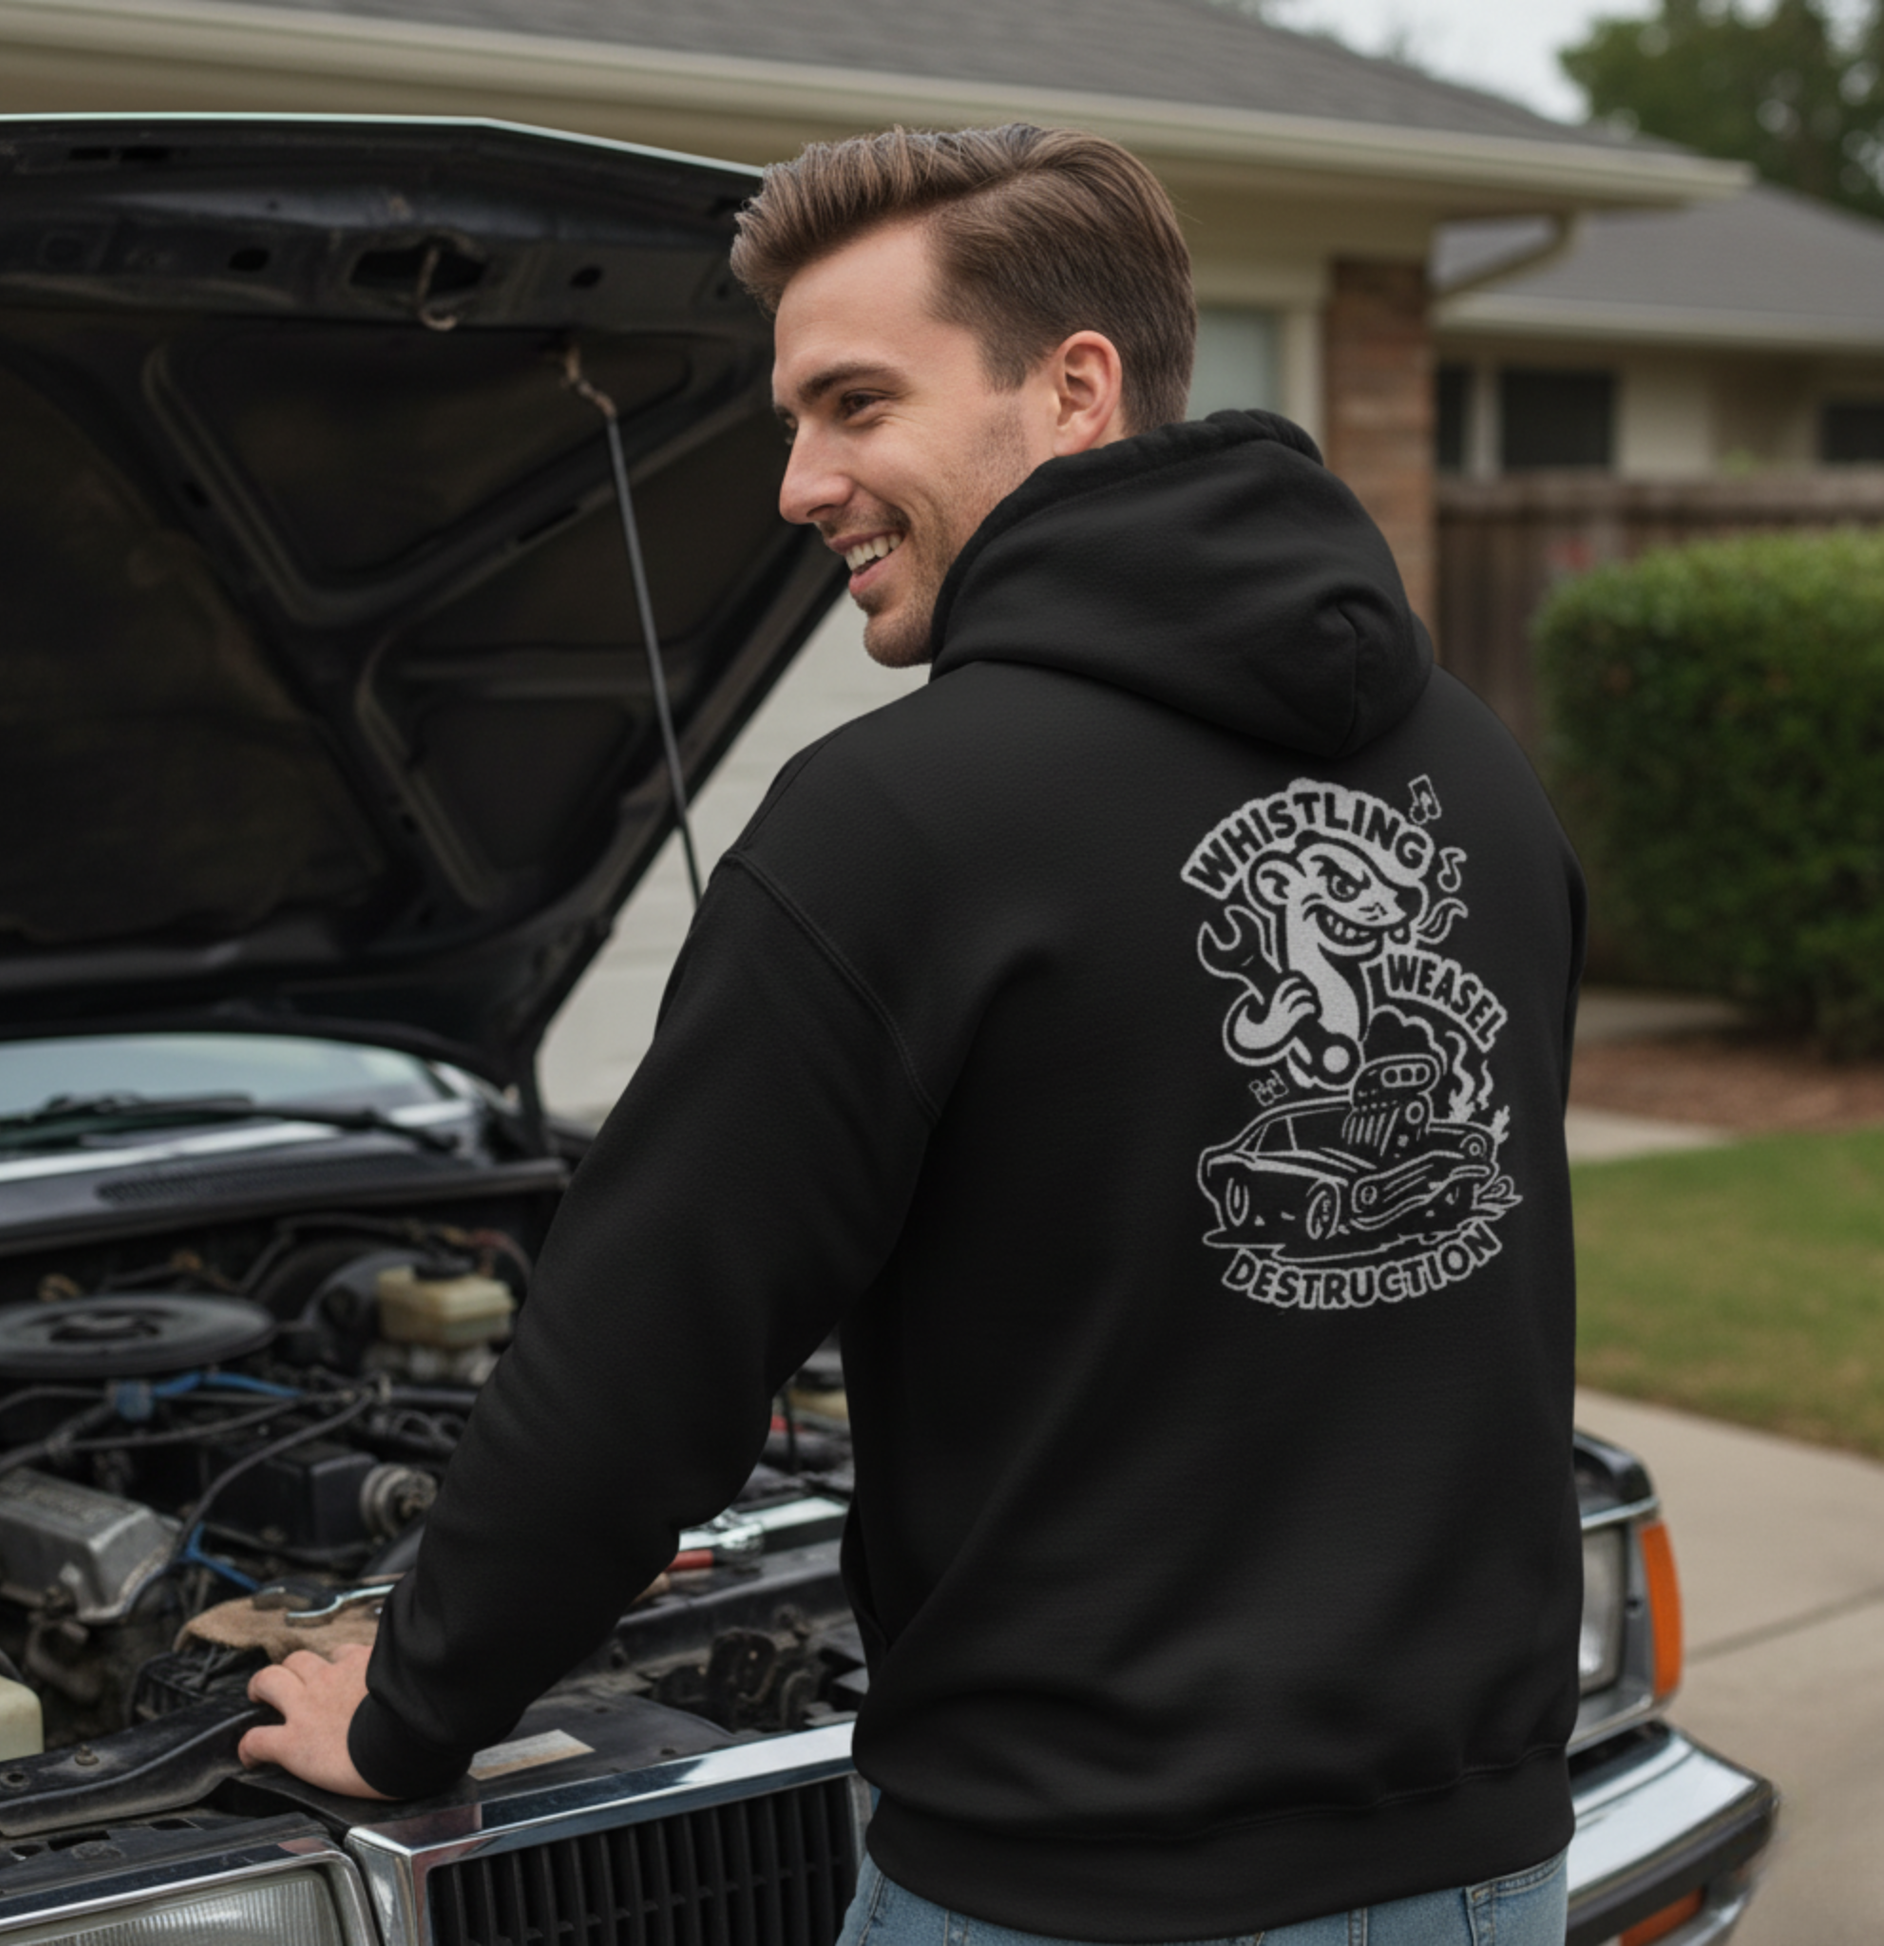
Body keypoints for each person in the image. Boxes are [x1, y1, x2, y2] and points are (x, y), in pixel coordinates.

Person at [241, 124, 1584, 1945]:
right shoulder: (1478, 777)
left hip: (1076, 1890)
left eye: (854, 402)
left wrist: (405, 1714)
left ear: (1074, 388)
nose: (796, 482)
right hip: (1484, 1867)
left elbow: (638, 1368)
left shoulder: (899, 821)